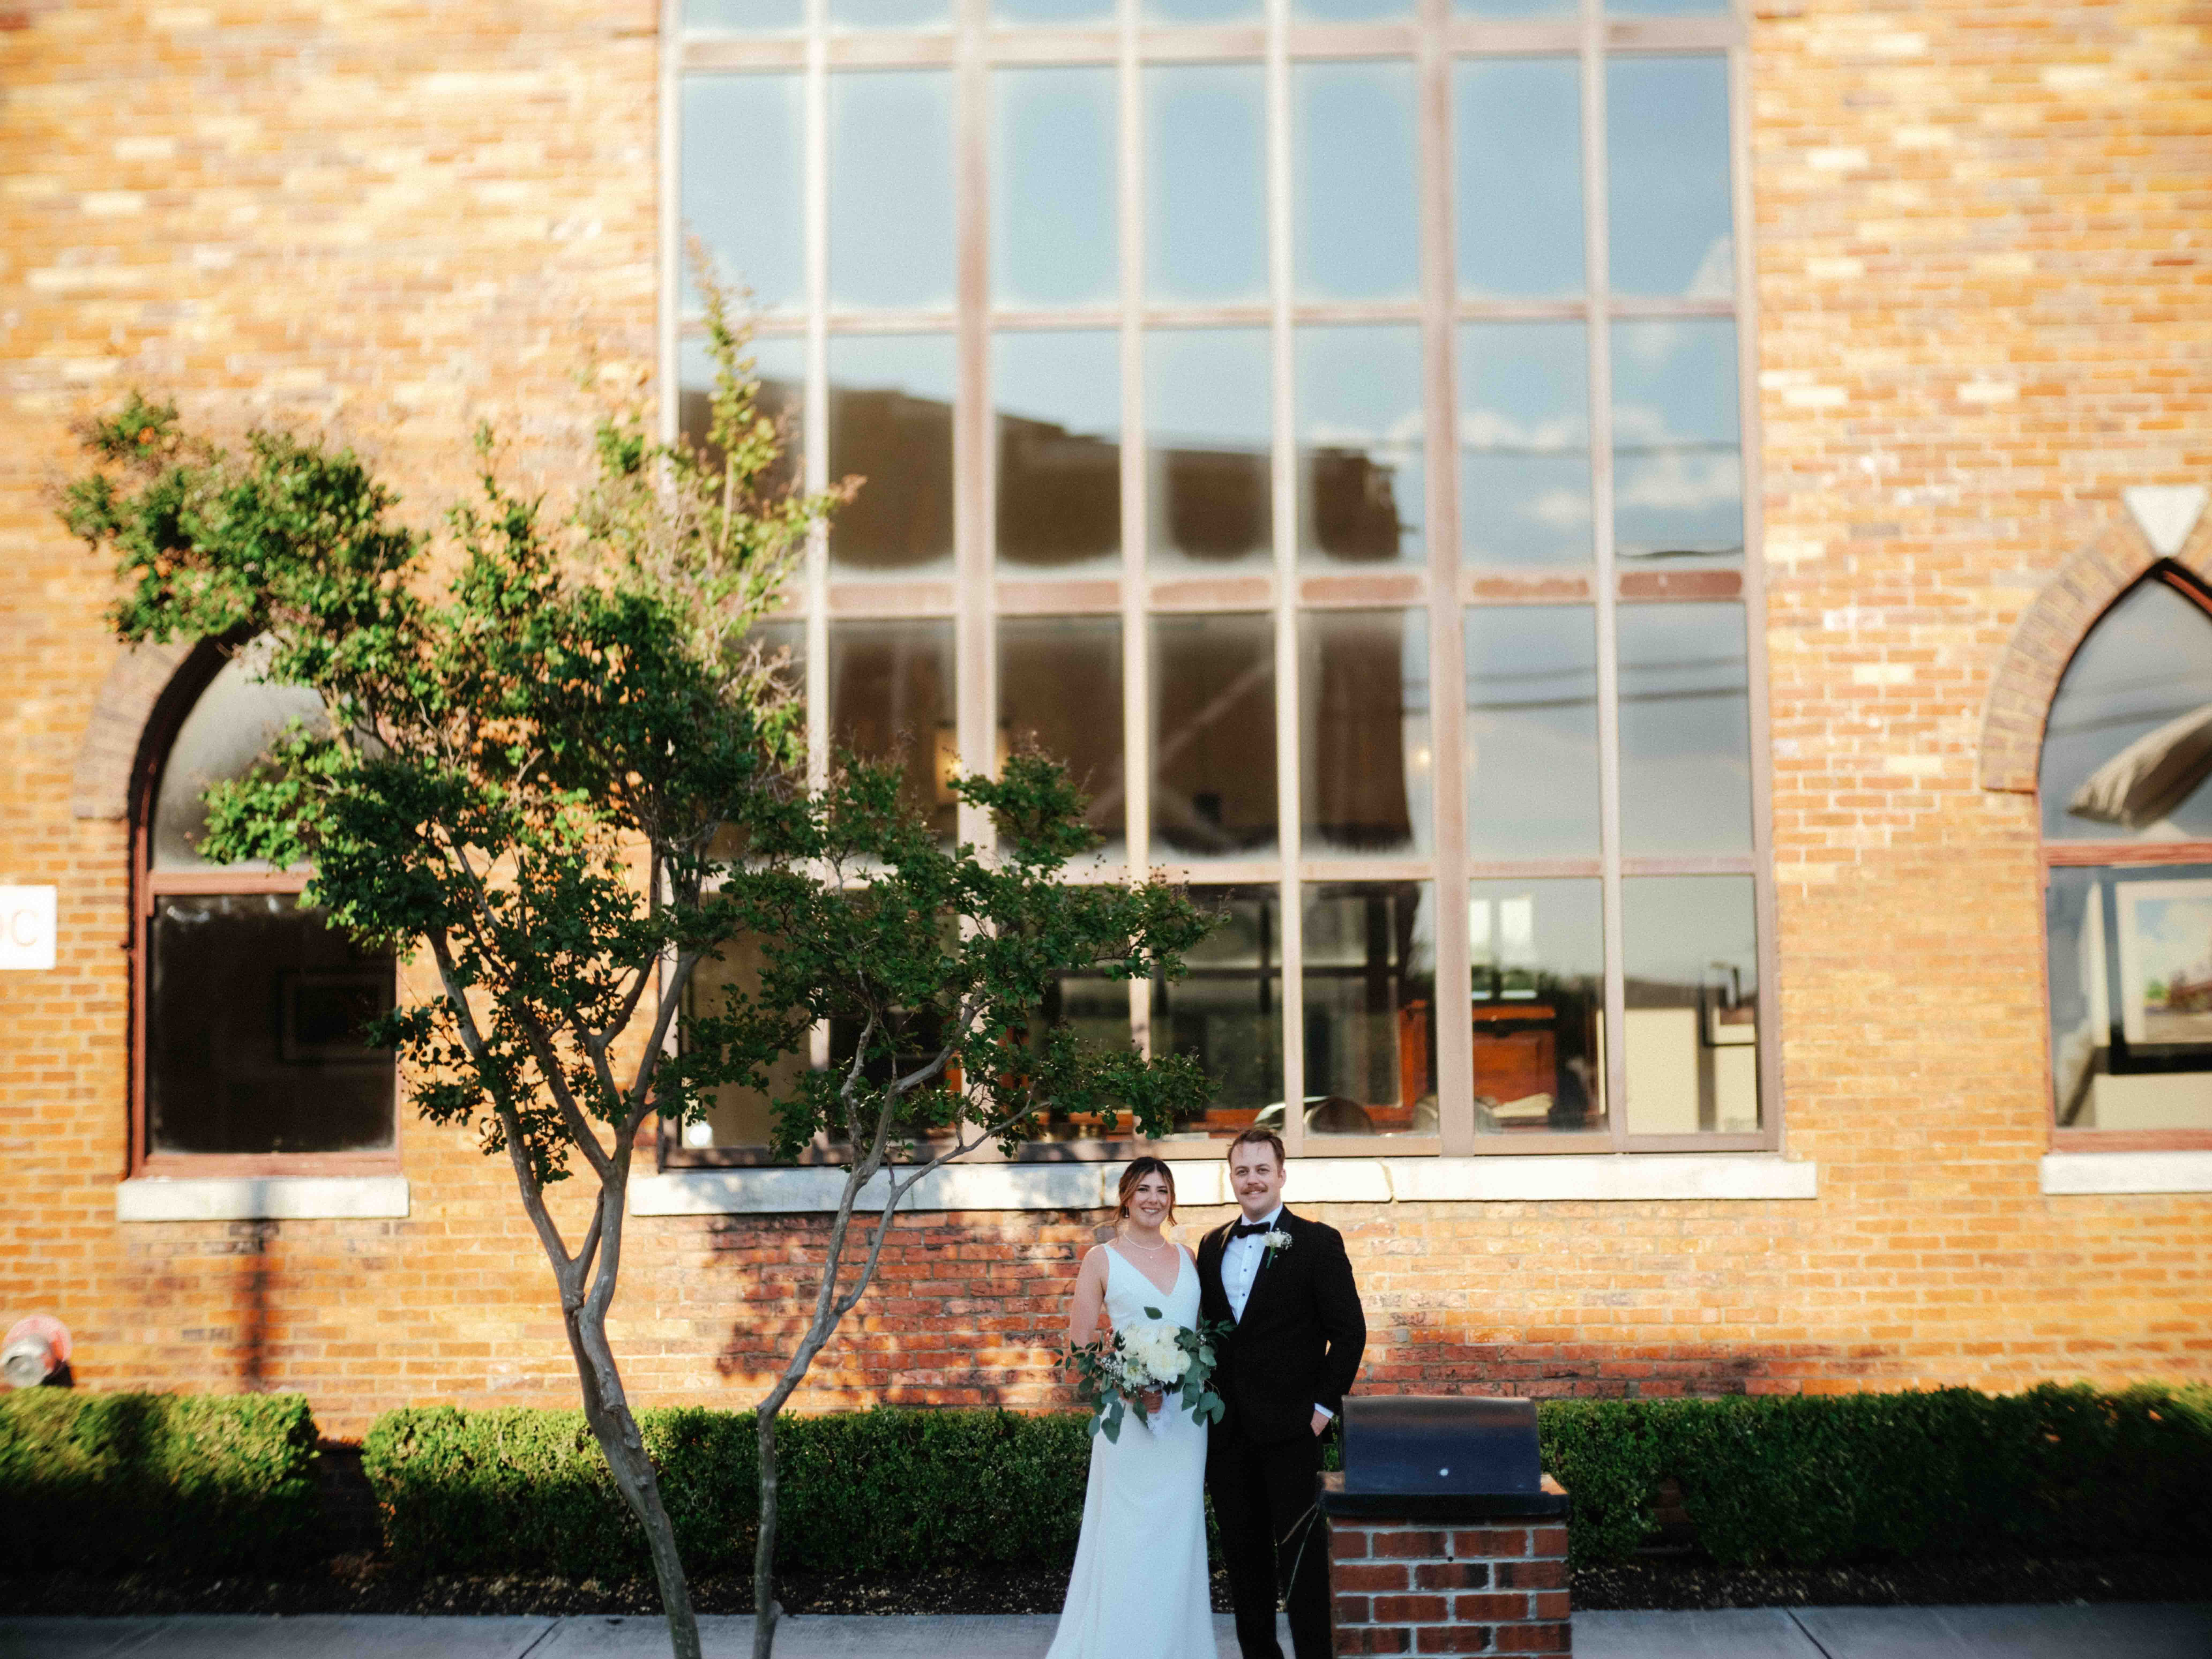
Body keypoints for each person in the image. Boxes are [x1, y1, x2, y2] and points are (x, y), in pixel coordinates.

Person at [1197, 1128, 1367, 1659]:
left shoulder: (1317, 1242)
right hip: (1229, 1438)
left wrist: (1320, 1411)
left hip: (1293, 1432)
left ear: (1281, 1175)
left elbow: (1350, 1333)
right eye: (1242, 1171)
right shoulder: (1210, 1246)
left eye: (1262, 1170)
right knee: (1244, 1563)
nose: (1252, 1180)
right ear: (1231, 1178)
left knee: (1304, 1566)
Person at [1045, 1156, 1216, 1659]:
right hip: (1128, 1420)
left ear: (1172, 1200)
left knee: (1177, 1532)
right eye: (1144, 1189)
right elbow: (1080, 1350)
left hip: (1184, 1423)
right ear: (1126, 1196)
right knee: (1128, 1533)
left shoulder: (1189, 1257)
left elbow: (1199, 1337)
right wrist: (1130, 1383)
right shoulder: (1101, 1259)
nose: (1153, 1199)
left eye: (1163, 1190)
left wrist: (1182, 1373)